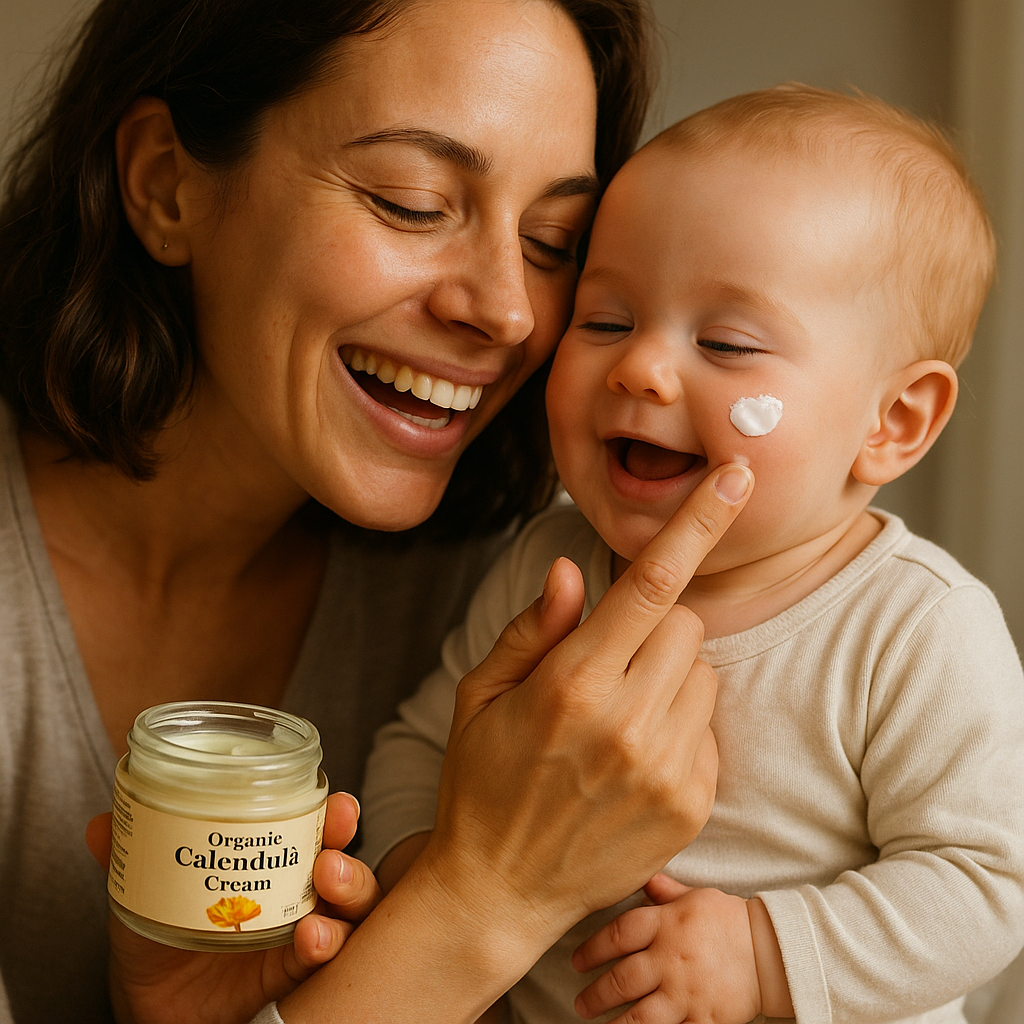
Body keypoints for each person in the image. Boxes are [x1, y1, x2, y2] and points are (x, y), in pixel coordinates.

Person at [0, 2, 756, 1023]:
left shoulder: (505, 608)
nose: (507, 309)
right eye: (411, 202)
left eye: (550, 240)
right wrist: (488, 895)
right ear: (164, 183)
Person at [359, 84, 1024, 1023]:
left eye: (726, 341)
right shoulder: (547, 566)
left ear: (892, 420)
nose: (641, 368)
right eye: (605, 321)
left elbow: (991, 884)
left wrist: (764, 956)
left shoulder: (915, 629)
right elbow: (422, 747)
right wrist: (428, 874)